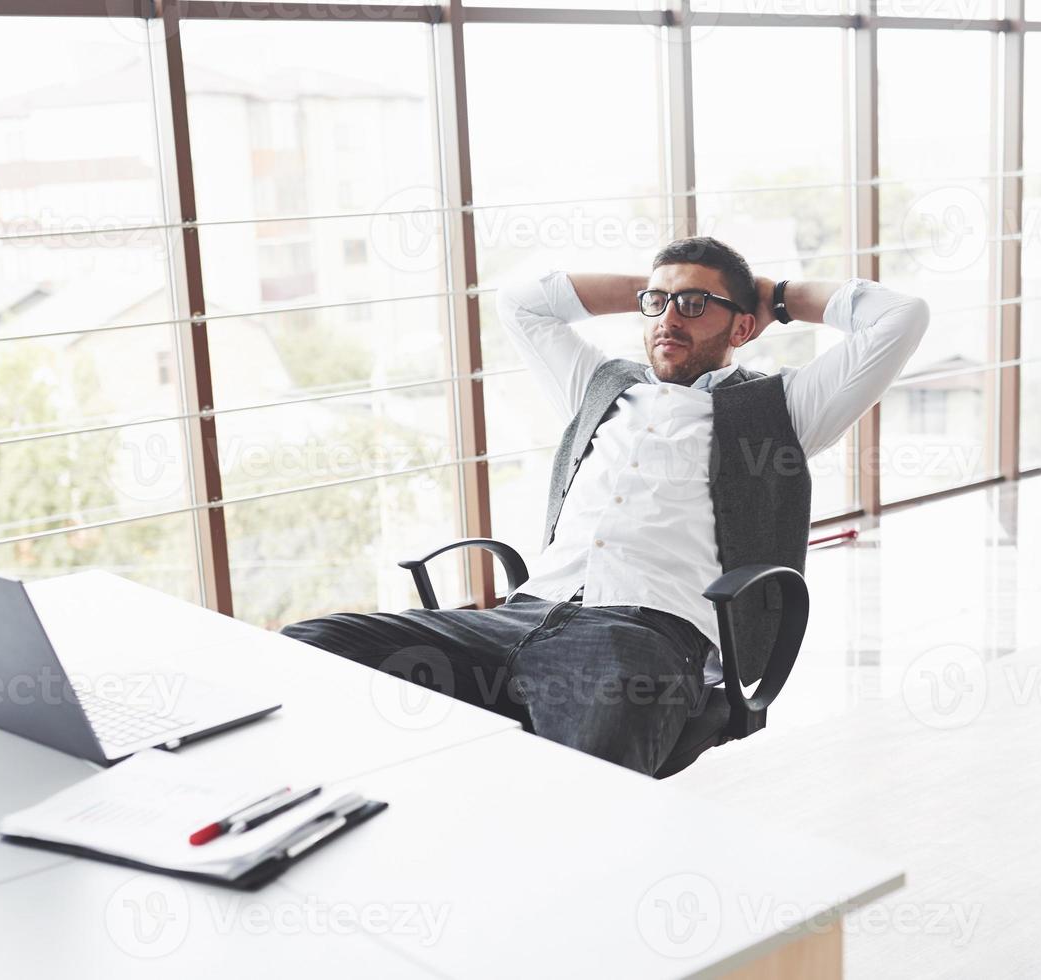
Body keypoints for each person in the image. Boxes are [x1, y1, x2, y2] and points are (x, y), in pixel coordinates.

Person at [282, 236, 929, 776]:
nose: (669, 319)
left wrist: (776, 296)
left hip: (640, 636)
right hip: (515, 619)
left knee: (588, 781)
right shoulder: (601, 385)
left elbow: (901, 316)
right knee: (307, 647)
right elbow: (521, 302)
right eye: (658, 305)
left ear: (743, 326)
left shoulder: (785, 405)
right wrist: (653, 288)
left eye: (696, 305)